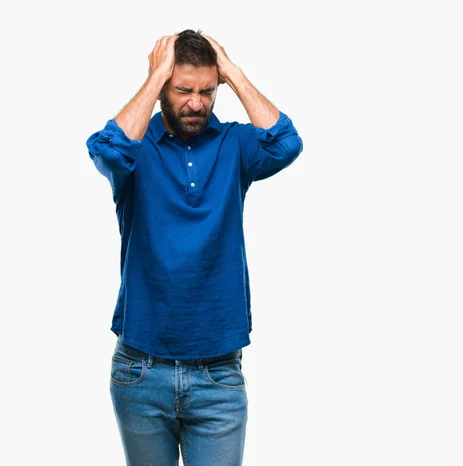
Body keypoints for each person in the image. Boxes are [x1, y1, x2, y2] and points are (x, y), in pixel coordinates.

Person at [86, 29, 303, 466]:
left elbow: (286, 142)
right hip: (140, 370)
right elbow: (105, 149)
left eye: (207, 91)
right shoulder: (134, 150)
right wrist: (155, 75)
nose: (196, 102)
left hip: (218, 374)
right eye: (183, 89)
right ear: (164, 87)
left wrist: (234, 72)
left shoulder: (235, 145)